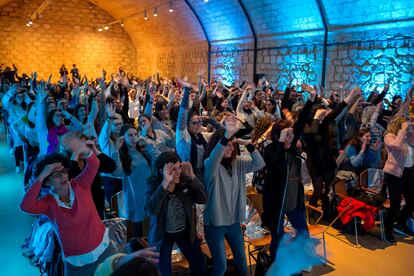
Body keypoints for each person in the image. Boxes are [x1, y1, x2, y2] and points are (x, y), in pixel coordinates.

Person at [20, 141, 118, 275]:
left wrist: (85, 149)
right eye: (56, 174)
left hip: (104, 250)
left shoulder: (80, 185)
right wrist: (41, 176)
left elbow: (94, 164)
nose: (63, 176)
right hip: (76, 262)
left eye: (63, 171)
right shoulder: (48, 202)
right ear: (47, 181)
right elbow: (26, 206)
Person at [261, 83, 316, 264]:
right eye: (287, 135)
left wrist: (311, 99)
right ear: (277, 136)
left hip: (293, 200)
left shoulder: (292, 147)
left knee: (303, 233)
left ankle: (298, 261)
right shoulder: (270, 150)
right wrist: (280, 144)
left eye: (292, 135)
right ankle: (275, 265)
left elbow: (299, 124)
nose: (292, 138)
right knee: (277, 238)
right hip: (277, 203)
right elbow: (275, 166)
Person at [203, 114, 265, 276]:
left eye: (232, 146)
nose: (230, 149)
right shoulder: (210, 165)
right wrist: (225, 137)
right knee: (221, 267)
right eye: (226, 146)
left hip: (234, 222)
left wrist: (249, 145)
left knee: (241, 261)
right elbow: (215, 157)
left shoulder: (238, 163)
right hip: (215, 224)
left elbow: (260, 164)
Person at [145, 152, 207, 275]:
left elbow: (203, 199)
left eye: (179, 167)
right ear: (161, 171)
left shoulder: (184, 182)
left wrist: (193, 177)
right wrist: (164, 184)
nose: (178, 172)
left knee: (199, 266)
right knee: (163, 272)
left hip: (185, 232)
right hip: (162, 235)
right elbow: (150, 210)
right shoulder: (154, 185)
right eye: (172, 169)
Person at [119, 124, 160, 238]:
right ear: (124, 138)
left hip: (150, 195)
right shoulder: (122, 156)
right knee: (139, 236)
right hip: (135, 198)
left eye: (136, 134)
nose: (134, 138)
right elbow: (116, 171)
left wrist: (148, 145)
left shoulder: (144, 152)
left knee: (153, 233)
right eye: (130, 135)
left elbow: (159, 160)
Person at [383, 114, 414, 244]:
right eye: (407, 124)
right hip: (394, 174)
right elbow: (395, 145)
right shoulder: (389, 136)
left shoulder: (408, 137)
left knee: (412, 202)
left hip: (408, 172)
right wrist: (403, 130)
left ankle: (400, 222)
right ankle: (387, 230)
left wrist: (410, 131)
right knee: (395, 206)